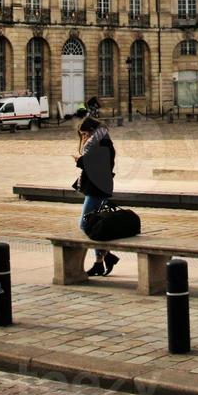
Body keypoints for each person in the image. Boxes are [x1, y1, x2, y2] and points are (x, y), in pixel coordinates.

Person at [74, 116, 119, 277]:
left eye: (85, 134)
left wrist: (81, 161)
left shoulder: (104, 143)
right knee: (94, 225)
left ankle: (107, 256)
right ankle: (100, 262)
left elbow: (101, 166)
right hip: (96, 186)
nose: (84, 137)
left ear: (93, 131)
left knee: (84, 224)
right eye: (82, 135)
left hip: (98, 188)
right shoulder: (97, 142)